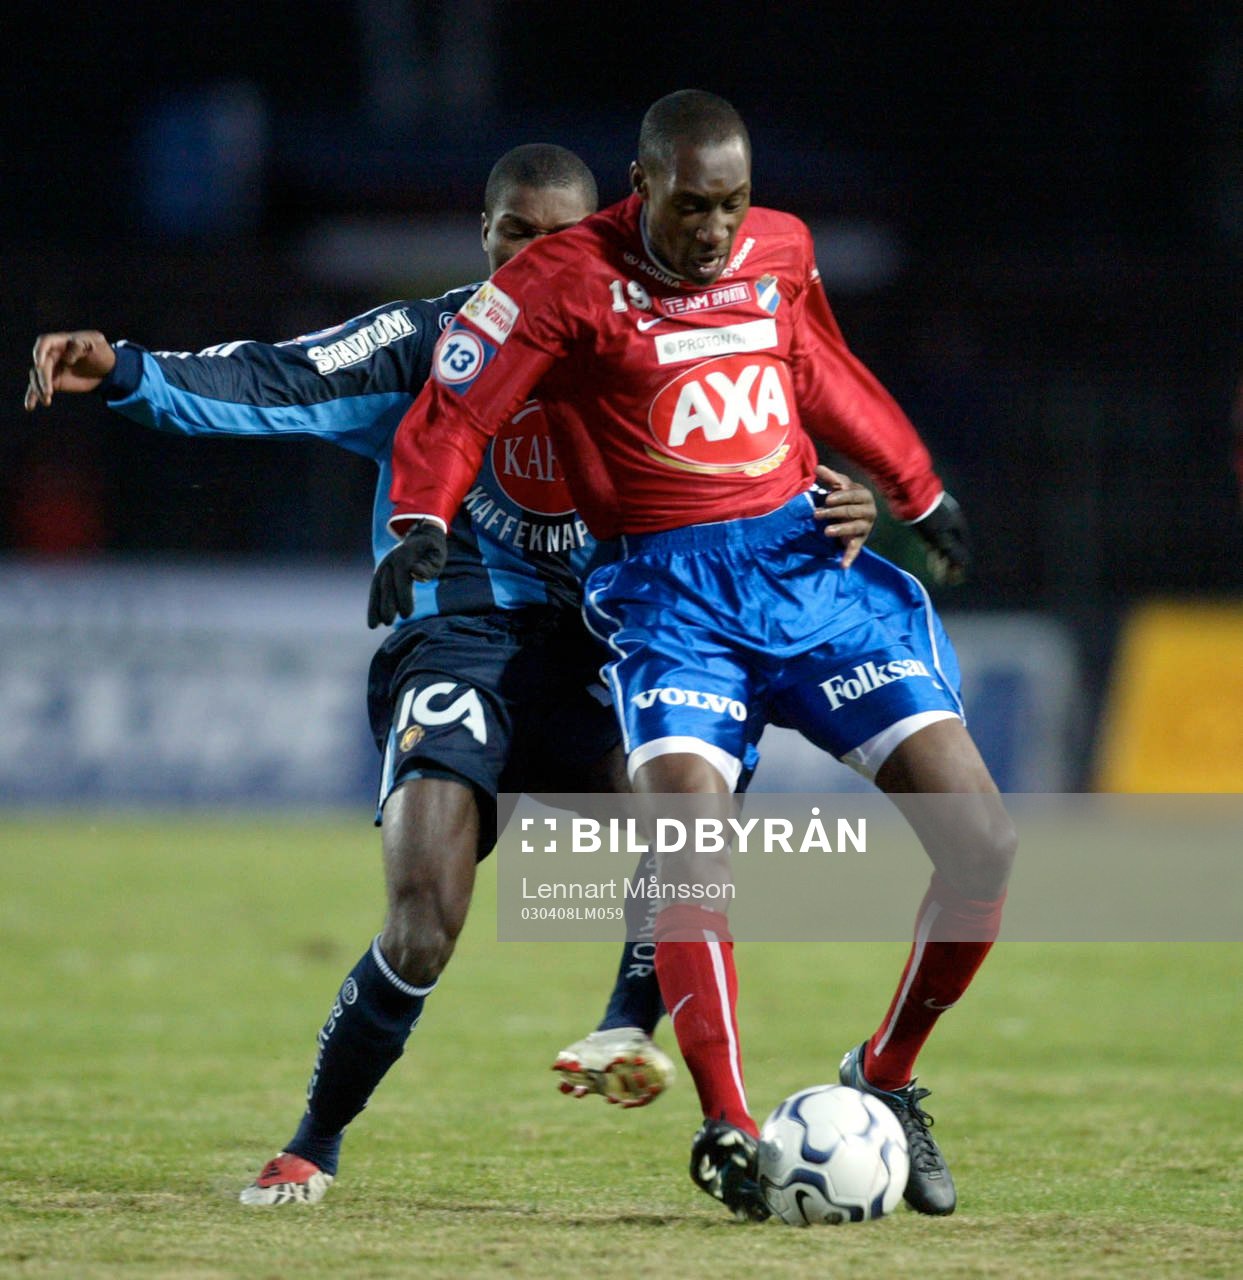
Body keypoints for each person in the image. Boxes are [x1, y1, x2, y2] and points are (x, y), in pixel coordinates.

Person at [24, 143, 880, 1206]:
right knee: (425, 916)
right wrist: (128, 370)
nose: (533, 255)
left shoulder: (652, 344)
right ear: (482, 237)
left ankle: (631, 1029)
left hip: (602, 657)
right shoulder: (433, 342)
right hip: (459, 646)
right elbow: (278, 378)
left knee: (699, 811)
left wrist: (838, 504)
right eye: (513, 234)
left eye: (557, 237)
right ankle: (313, 1139)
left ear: (599, 236)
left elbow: (762, 454)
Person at [372, 91, 1016, 1222]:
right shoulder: (559, 278)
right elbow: (453, 410)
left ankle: (889, 1071)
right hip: (670, 600)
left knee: (983, 843)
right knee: (687, 851)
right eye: (691, 206)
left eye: (730, 204)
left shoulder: (780, 248)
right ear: (643, 185)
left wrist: (916, 485)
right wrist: (422, 519)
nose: (714, 229)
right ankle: (727, 1119)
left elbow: (816, 366)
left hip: (810, 575)